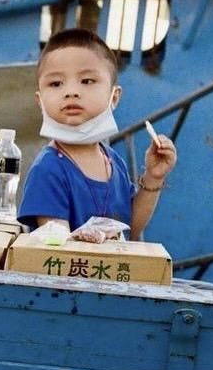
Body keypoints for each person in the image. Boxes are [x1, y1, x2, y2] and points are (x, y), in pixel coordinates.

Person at [17, 28, 178, 239]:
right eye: (56, 83)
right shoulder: (48, 169)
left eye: (87, 81)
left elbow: (131, 227)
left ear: (114, 97)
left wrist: (154, 177)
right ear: (40, 101)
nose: (71, 92)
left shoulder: (114, 161)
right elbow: (55, 243)